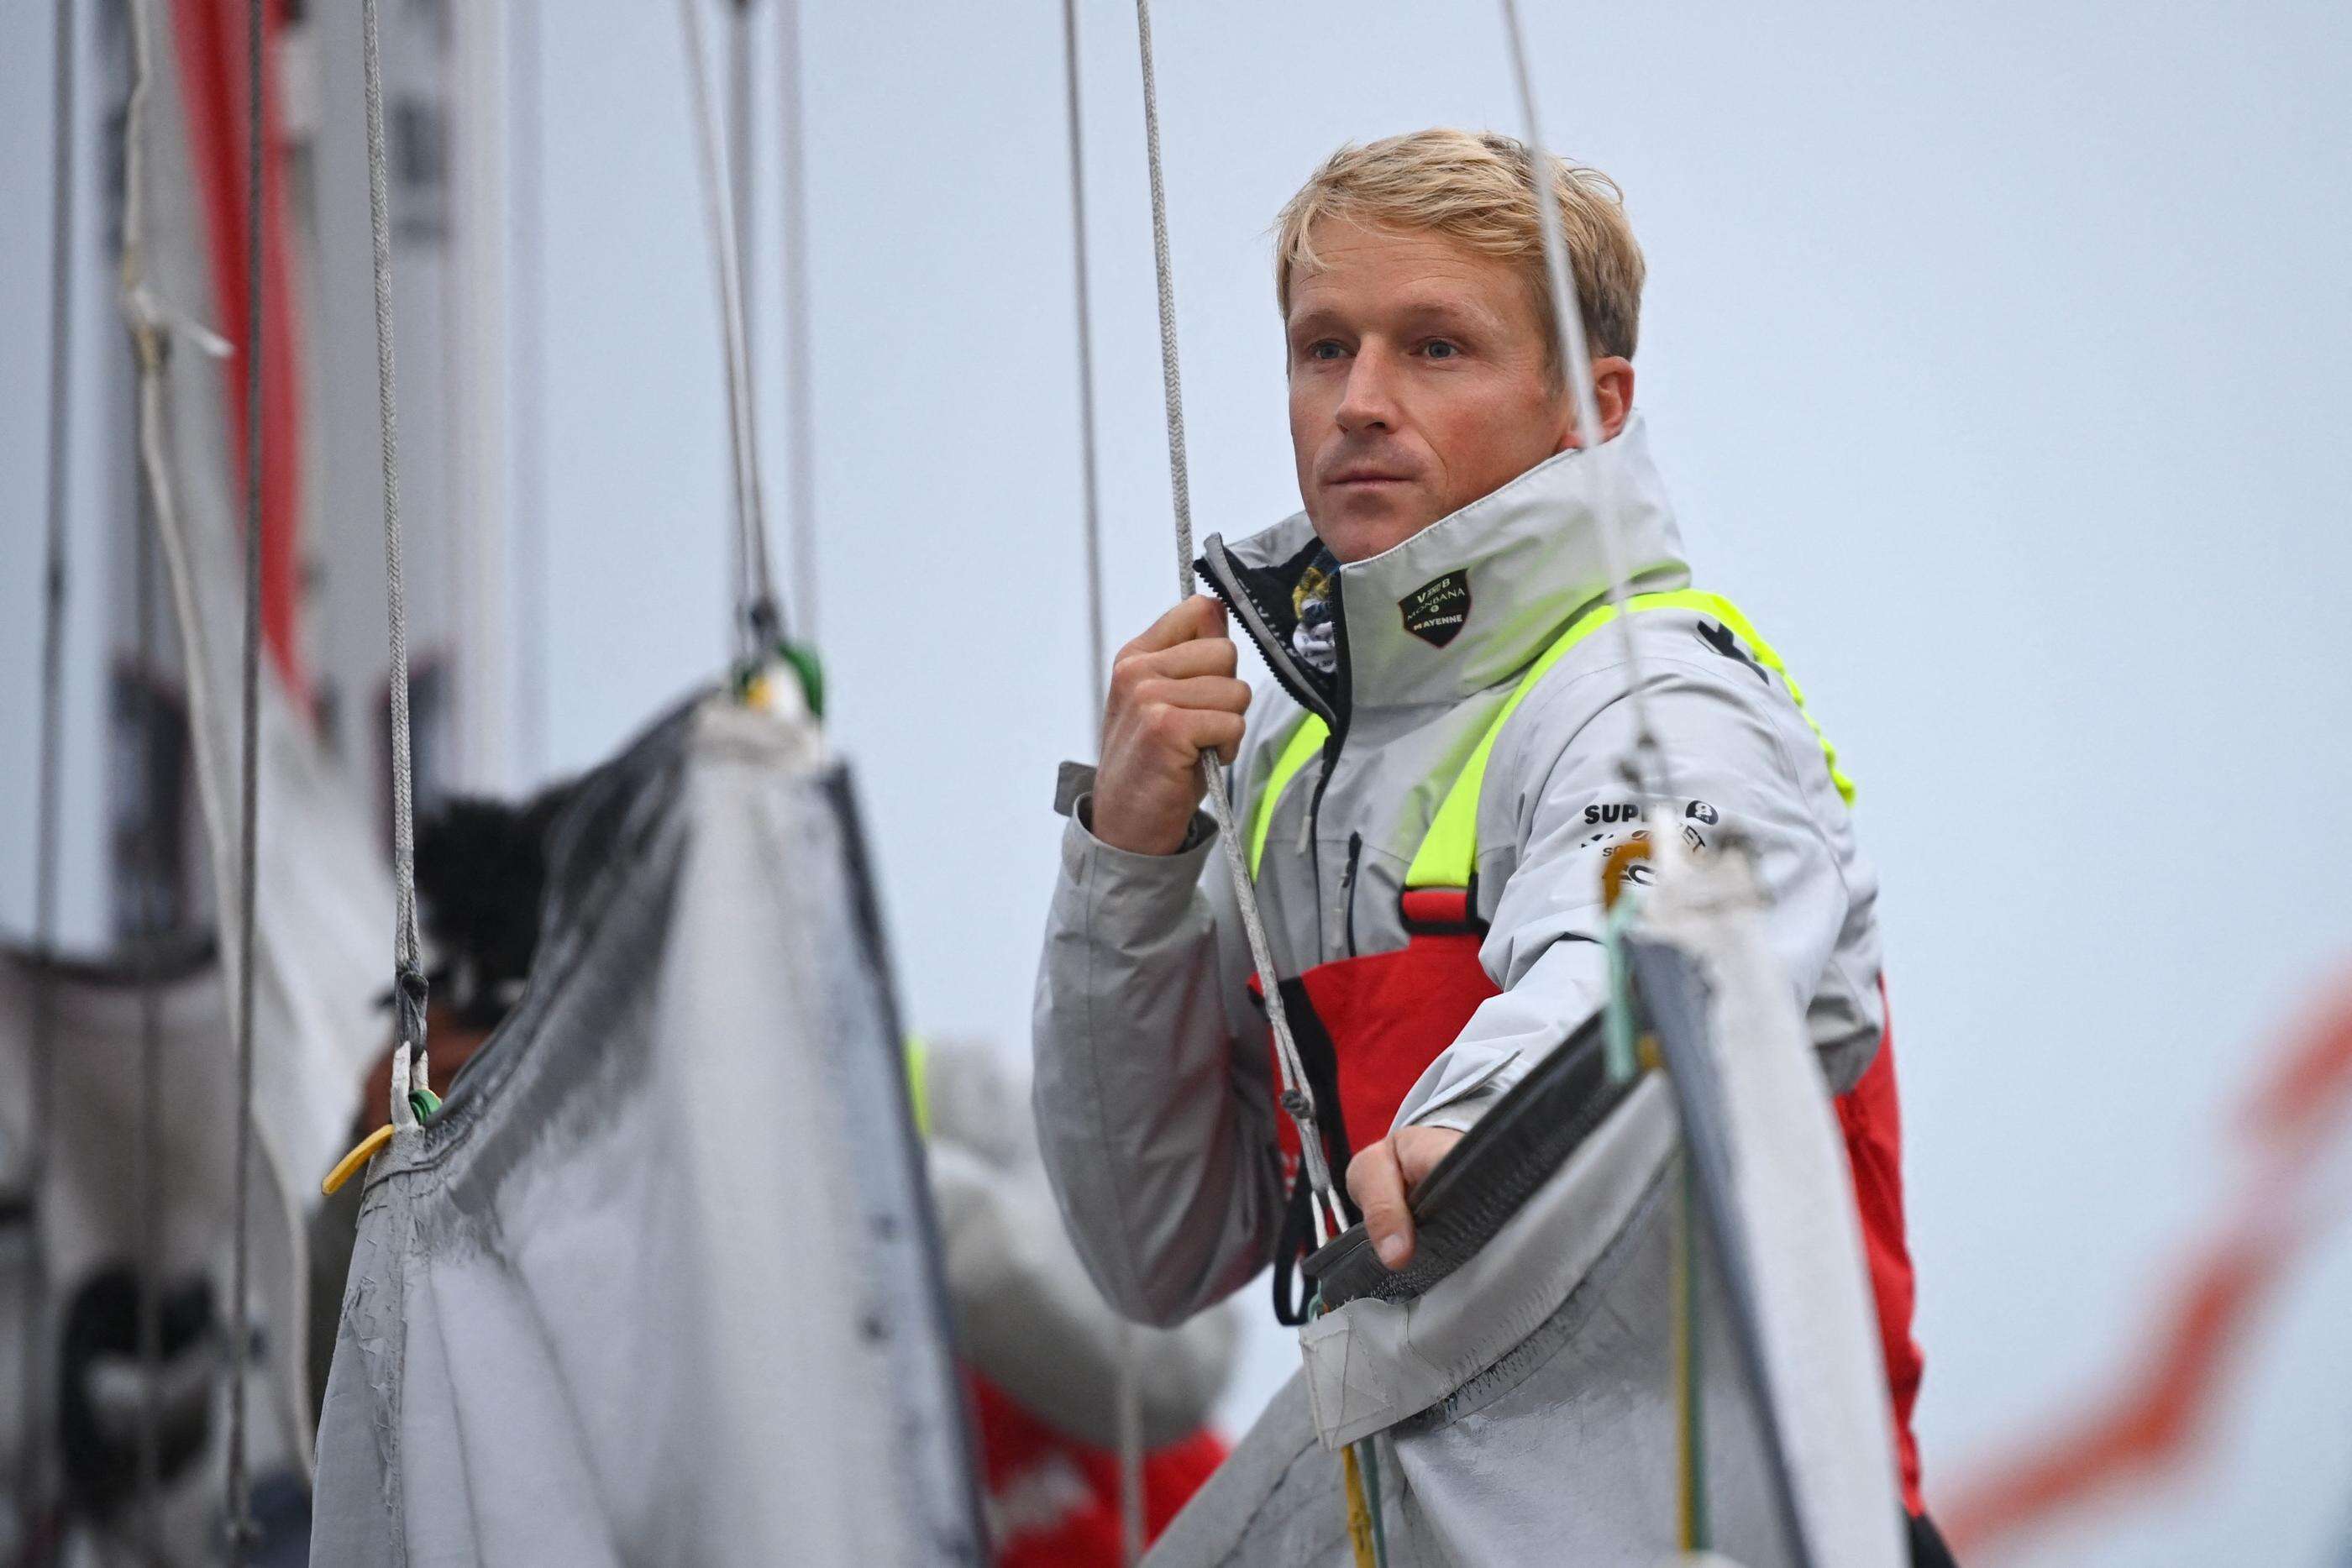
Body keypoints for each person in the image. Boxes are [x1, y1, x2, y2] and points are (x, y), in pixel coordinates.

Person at [1032, 128, 1955, 1563]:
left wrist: (1474, 1129)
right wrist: (1126, 869)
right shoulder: (1278, 764)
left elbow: (1648, 951)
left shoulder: (1664, 698)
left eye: (1437, 348)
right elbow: (1156, 1253)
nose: (1361, 404)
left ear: (1594, 404)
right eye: (1323, 348)